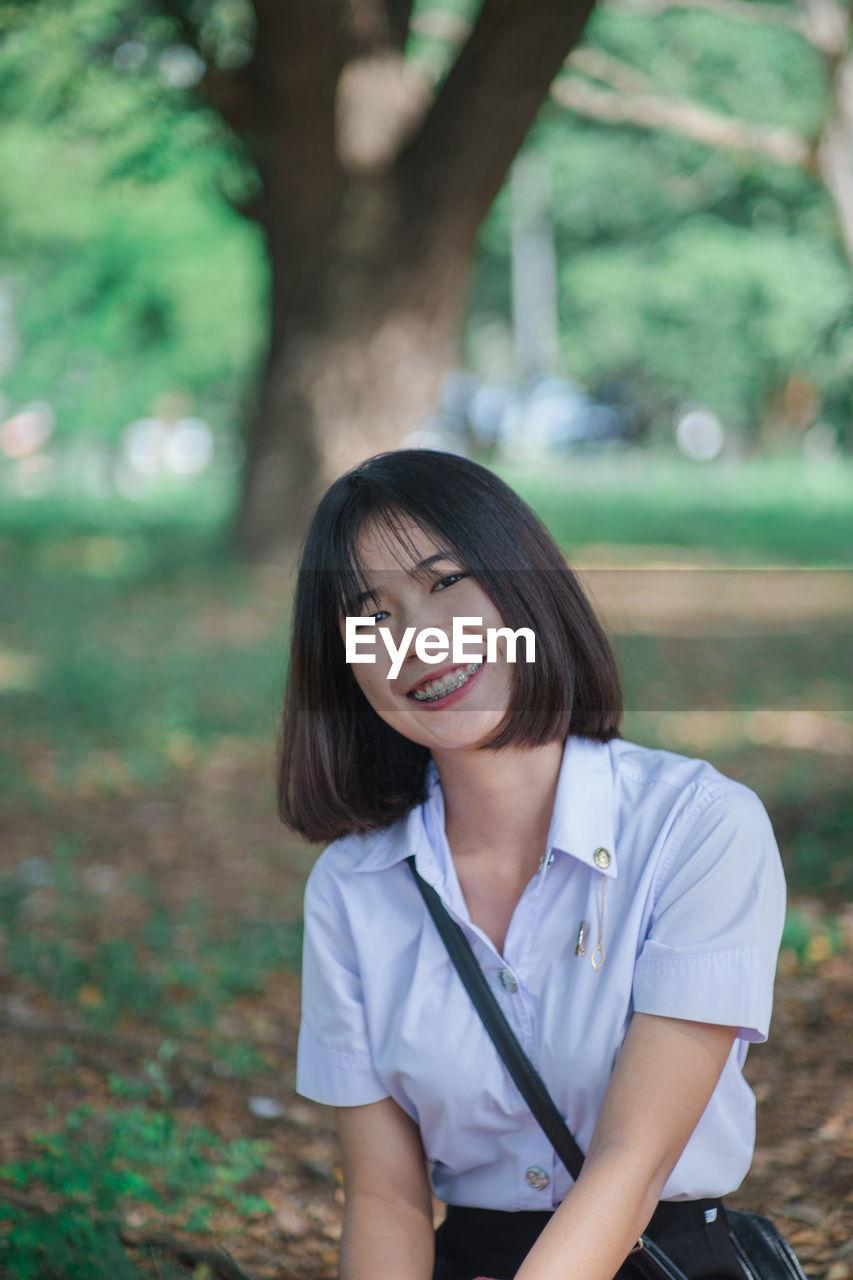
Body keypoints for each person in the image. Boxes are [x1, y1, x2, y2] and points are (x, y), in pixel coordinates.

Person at [280, 449, 786, 1280]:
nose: (420, 641)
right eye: (373, 615)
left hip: (657, 1255)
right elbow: (385, 1200)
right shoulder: (352, 889)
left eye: (446, 583)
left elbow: (633, 1162)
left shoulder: (696, 827)